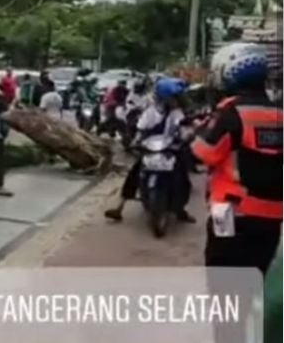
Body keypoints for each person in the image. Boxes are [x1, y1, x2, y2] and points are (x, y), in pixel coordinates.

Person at [191, 42, 282, 276]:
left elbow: (203, 153)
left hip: (232, 212)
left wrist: (201, 130)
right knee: (256, 274)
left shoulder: (231, 112)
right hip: (272, 215)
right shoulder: (279, 113)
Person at [104, 77, 194, 222]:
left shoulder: (177, 113)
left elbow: (184, 128)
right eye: (174, 97)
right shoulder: (150, 112)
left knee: (182, 175)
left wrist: (186, 135)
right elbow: (140, 128)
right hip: (151, 149)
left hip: (171, 149)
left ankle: (180, 210)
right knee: (134, 173)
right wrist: (136, 140)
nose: (176, 100)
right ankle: (119, 207)